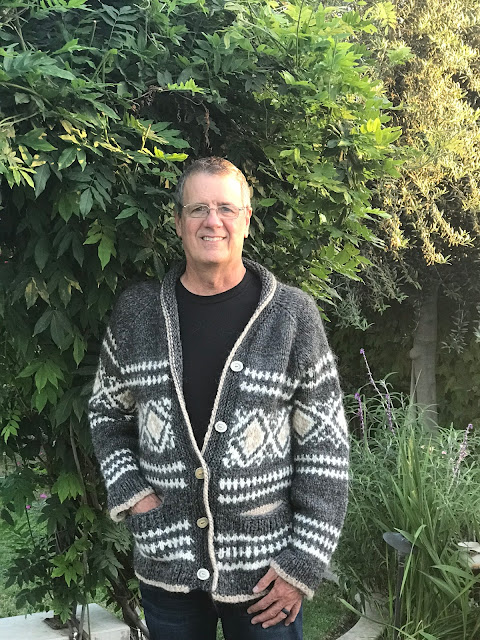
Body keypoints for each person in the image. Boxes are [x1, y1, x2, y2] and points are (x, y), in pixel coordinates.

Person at [89, 157, 349, 640]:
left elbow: (325, 446)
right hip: (167, 562)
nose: (213, 221)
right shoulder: (137, 313)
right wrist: (136, 496)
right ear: (178, 222)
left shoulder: (292, 316)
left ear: (246, 219)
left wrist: (305, 561)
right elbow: (107, 414)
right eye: (198, 209)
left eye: (226, 208)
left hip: (266, 573)